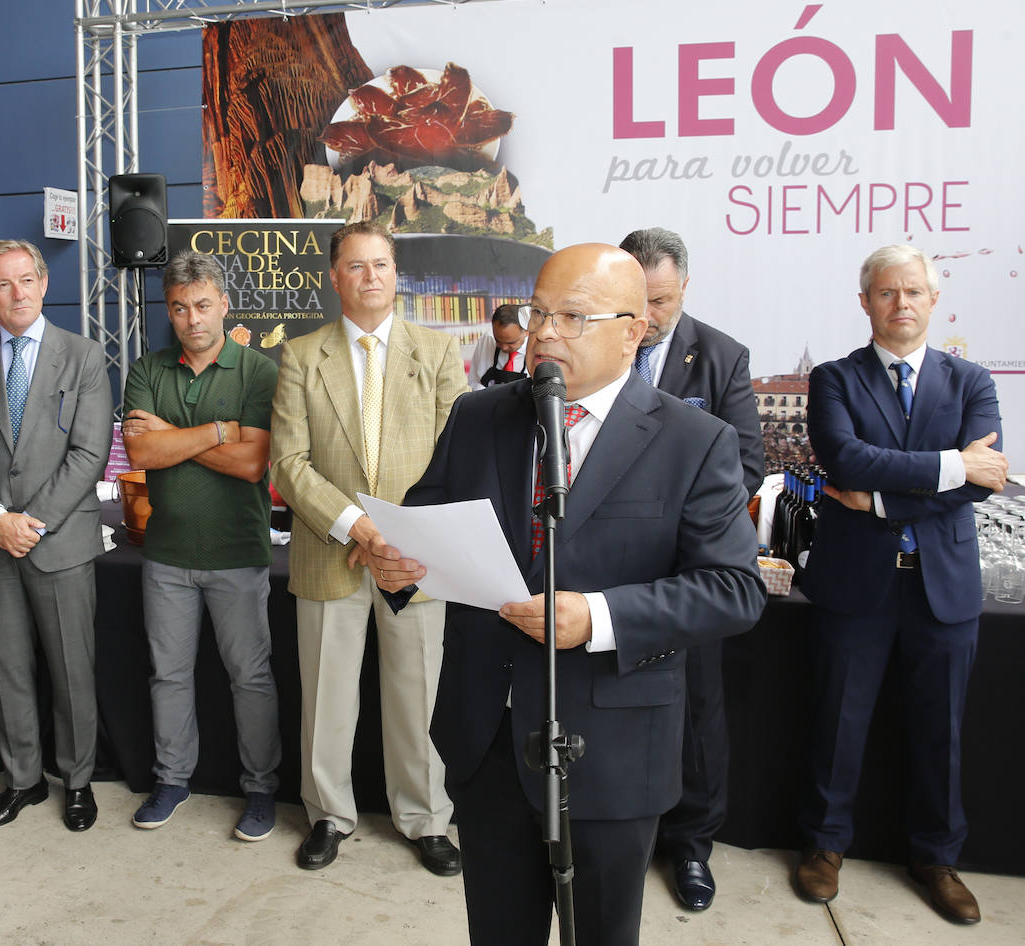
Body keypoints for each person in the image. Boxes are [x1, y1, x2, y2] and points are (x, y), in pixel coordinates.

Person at [367, 243, 765, 945]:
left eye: (573, 317)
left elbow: (733, 589)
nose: (545, 332)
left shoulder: (694, 440)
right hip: (487, 739)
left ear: (632, 329)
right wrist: (396, 566)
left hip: (614, 750)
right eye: (539, 311)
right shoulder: (479, 416)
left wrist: (601, 617)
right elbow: (423, 530)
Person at [796, 244, 1007, 925]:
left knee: (940, 730)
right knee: (838, 723)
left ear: (933, 299)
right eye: (887, 293)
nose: (901, 304)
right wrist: (953, 466)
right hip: (856, 584)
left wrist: (883, 500)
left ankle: (937, 858)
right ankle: (826, 848)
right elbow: (844, 457)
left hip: (941, 588)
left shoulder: (972, 381)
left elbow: (985, 483)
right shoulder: (834, 379)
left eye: (913, 291)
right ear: (866, 302)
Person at [270, 220, 467, 875]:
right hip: (333, 552)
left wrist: (401, 536)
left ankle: (426, 819)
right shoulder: (302, 356)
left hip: (414, 558)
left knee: (418, 695)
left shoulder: (437, 354)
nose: (371, 276)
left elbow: (457, 460)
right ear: (336, 278)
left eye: (381, 264)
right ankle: (328, 814)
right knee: (326, 696)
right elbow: (290, 463)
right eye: (356, 266)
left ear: (395, 273)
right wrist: (359, 526)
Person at [0, 239, 112, 833]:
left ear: (43, 283)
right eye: (1, 285)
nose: (16, 294)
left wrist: (30, 523)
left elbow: (89, 453)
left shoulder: (84, 356)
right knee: (7, 668)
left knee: (71, 669)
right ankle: (24, 781)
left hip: (59, 543)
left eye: (26, 280)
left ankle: (79, 780)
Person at [619, 226, 764, 911]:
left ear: (685, 290)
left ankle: (692, 844)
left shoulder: (722, 356)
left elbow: (749, 464)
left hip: (689, 567)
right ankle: (623, 830)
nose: (650, 318)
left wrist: (660, 512)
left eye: (664, 301)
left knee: (698, 708)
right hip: (610, 569)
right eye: (639, 301)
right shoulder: (599, 347)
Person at [121, 250, 282, 840]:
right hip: (165, 555)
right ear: (170, 310)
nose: (193, 319)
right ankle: (172, 780)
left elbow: (251, 464)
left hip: (238, 553)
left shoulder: (259, 372)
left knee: (250, 676)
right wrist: (217, 430)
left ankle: (261, 790)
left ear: (225, 305)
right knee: (168, 675)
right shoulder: (148, 369)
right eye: (181, 307)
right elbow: (140, 453)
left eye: (204, 305)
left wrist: (174, 436)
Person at [466, 303, 528, 390]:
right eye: (498, 341)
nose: (504, 347)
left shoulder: (539, 348)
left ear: (526, 331)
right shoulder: (488, 338)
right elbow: (474, 381)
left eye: (510, 343)